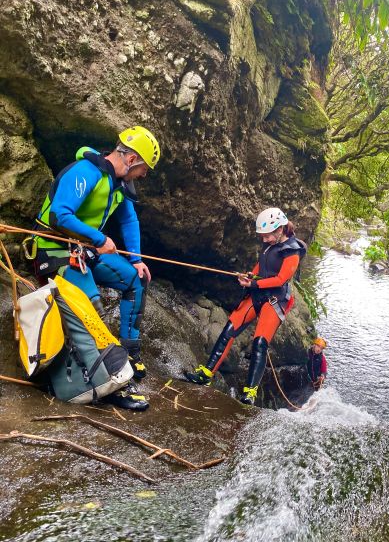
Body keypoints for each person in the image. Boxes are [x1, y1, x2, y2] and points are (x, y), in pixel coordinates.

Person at [31, 126, 160, 410]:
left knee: (134, 279)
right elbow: (59, 214)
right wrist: (100, 238)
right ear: (132, 159)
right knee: (93, 308)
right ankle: (111, 379)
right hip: (53, 251)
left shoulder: (118, 186)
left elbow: (129, 222)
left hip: (84, 251)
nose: (144, 175)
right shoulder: (86, 171)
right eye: (145, 168)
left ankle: (128, 355)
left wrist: (136, 259)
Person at [185, 207, 306, 406]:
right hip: (257, 294)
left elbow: (281, 279)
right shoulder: (269, 245)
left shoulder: (293, 250)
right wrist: (249, 275)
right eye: (263, 236)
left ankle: (249, 393)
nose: (264, 240)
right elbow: (262, 265)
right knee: (230, 328)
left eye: (267, 236)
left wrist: (254, 284)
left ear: (280, 229)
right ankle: (206, 374)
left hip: (274, 300)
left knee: (259, 342)